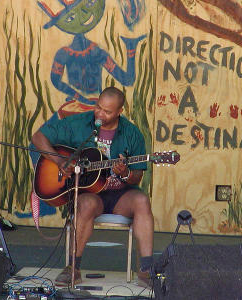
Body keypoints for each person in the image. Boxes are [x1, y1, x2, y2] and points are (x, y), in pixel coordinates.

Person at [31, 86, 154, 287]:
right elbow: (38, 137)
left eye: (107, 111)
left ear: (119, 112)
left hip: (119, 195)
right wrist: (61, 162)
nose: (100, 113)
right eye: (98, 107)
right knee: (87, 204)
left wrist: (126, 173)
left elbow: (137, 176)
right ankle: (73, 268)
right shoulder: (77, 123)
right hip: (88, 194)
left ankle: (147, 270)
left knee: (141, 200)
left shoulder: (132, 133)